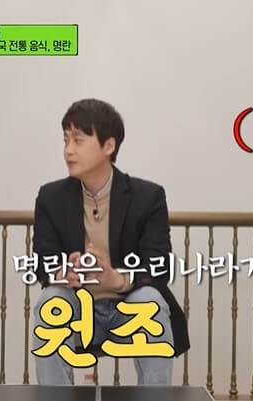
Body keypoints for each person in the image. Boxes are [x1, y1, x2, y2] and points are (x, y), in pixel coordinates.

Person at [31, 98, 190, 385]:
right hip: (78, 307)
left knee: (151, 300)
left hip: (127, 306)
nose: (68, 150)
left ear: (109, 146)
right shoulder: (51, 197)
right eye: (66, 140)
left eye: (78, 140)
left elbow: (159, 267)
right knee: (50, 301)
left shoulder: (147, 197)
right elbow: (42, 263)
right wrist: (64, 272)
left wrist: (117, 279)